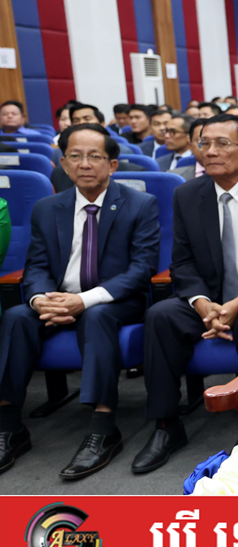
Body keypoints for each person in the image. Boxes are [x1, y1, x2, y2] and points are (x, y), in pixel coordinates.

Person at [133, 114, 238, 473]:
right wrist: (203, 304)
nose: (211, 151)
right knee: (160, 316)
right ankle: (165, 424)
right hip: (208, 297)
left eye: (222, 144)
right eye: (204, 143)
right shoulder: (187, 195)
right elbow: (182, 261)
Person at [0, 123, 160, 478]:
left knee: (97, 316)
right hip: (58, 298)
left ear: (112, 164)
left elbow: (142, 269)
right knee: (16, 316)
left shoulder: (139, 204)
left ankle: (103, 427)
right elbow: (37, 265)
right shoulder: (47, 208)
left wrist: (83, 301)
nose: (84, 164)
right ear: (63, 163)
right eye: (75, 156)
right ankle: (9, 425)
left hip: (116, 300)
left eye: (94, 156)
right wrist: (41, 299)